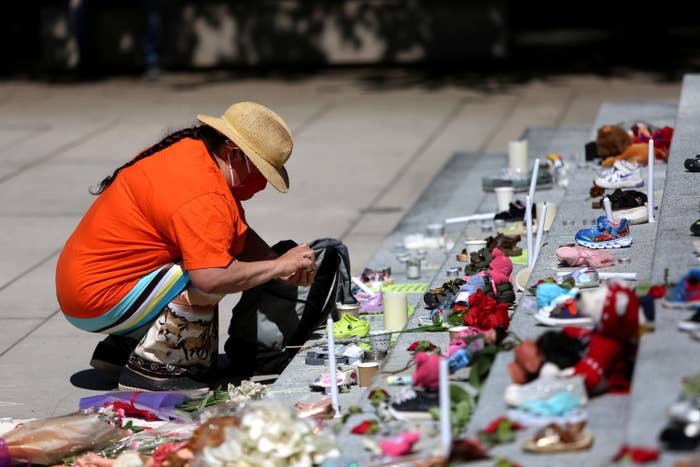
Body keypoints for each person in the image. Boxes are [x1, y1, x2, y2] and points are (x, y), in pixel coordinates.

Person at [56, 102, 319, 393]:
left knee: (210, 250)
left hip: (83, 286)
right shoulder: (204, 193)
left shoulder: (191, 153)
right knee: (210, 265)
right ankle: (162, 367)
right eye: (259, 170)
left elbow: (235, 235)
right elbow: (211, 276)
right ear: (232, 152)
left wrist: (273, 259)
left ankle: (125, 346)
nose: (260, 184)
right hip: (99, 299)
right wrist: (278, 266)